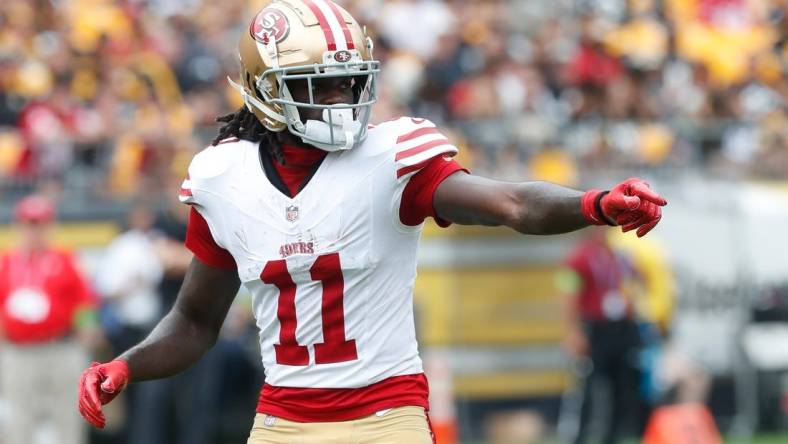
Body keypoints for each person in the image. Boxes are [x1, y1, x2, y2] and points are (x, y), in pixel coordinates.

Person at [77, 1, 667, 442]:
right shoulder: (222, 178)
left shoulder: (391, 159)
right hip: (282, 420)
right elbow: (194, 322)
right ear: (266, 92)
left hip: (386, 418)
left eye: (348, 82)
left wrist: (592, 203)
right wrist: (126, 364)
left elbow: (512, 203)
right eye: (319, 86)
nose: (340, 101)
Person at [0, 194, 99, 444]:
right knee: (19, 420)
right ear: (19, 226)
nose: (35, 232)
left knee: (67, 419)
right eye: (30, 225)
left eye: (41, 225)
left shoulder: (65, 259)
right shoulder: (7, 262)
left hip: (61, 348)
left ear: (50, 226)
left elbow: (84, 301)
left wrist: (87, 330)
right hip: (18, 352)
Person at [559, 228, 647, 444]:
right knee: (588, 389)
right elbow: (567, 295)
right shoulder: (578, 257)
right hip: (594, 329)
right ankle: (579, 438)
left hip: (619, 327)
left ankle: (612, 437)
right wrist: (573, 331)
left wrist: (631, 302)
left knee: (622, 386)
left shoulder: (620, 254)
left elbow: (638, 279)